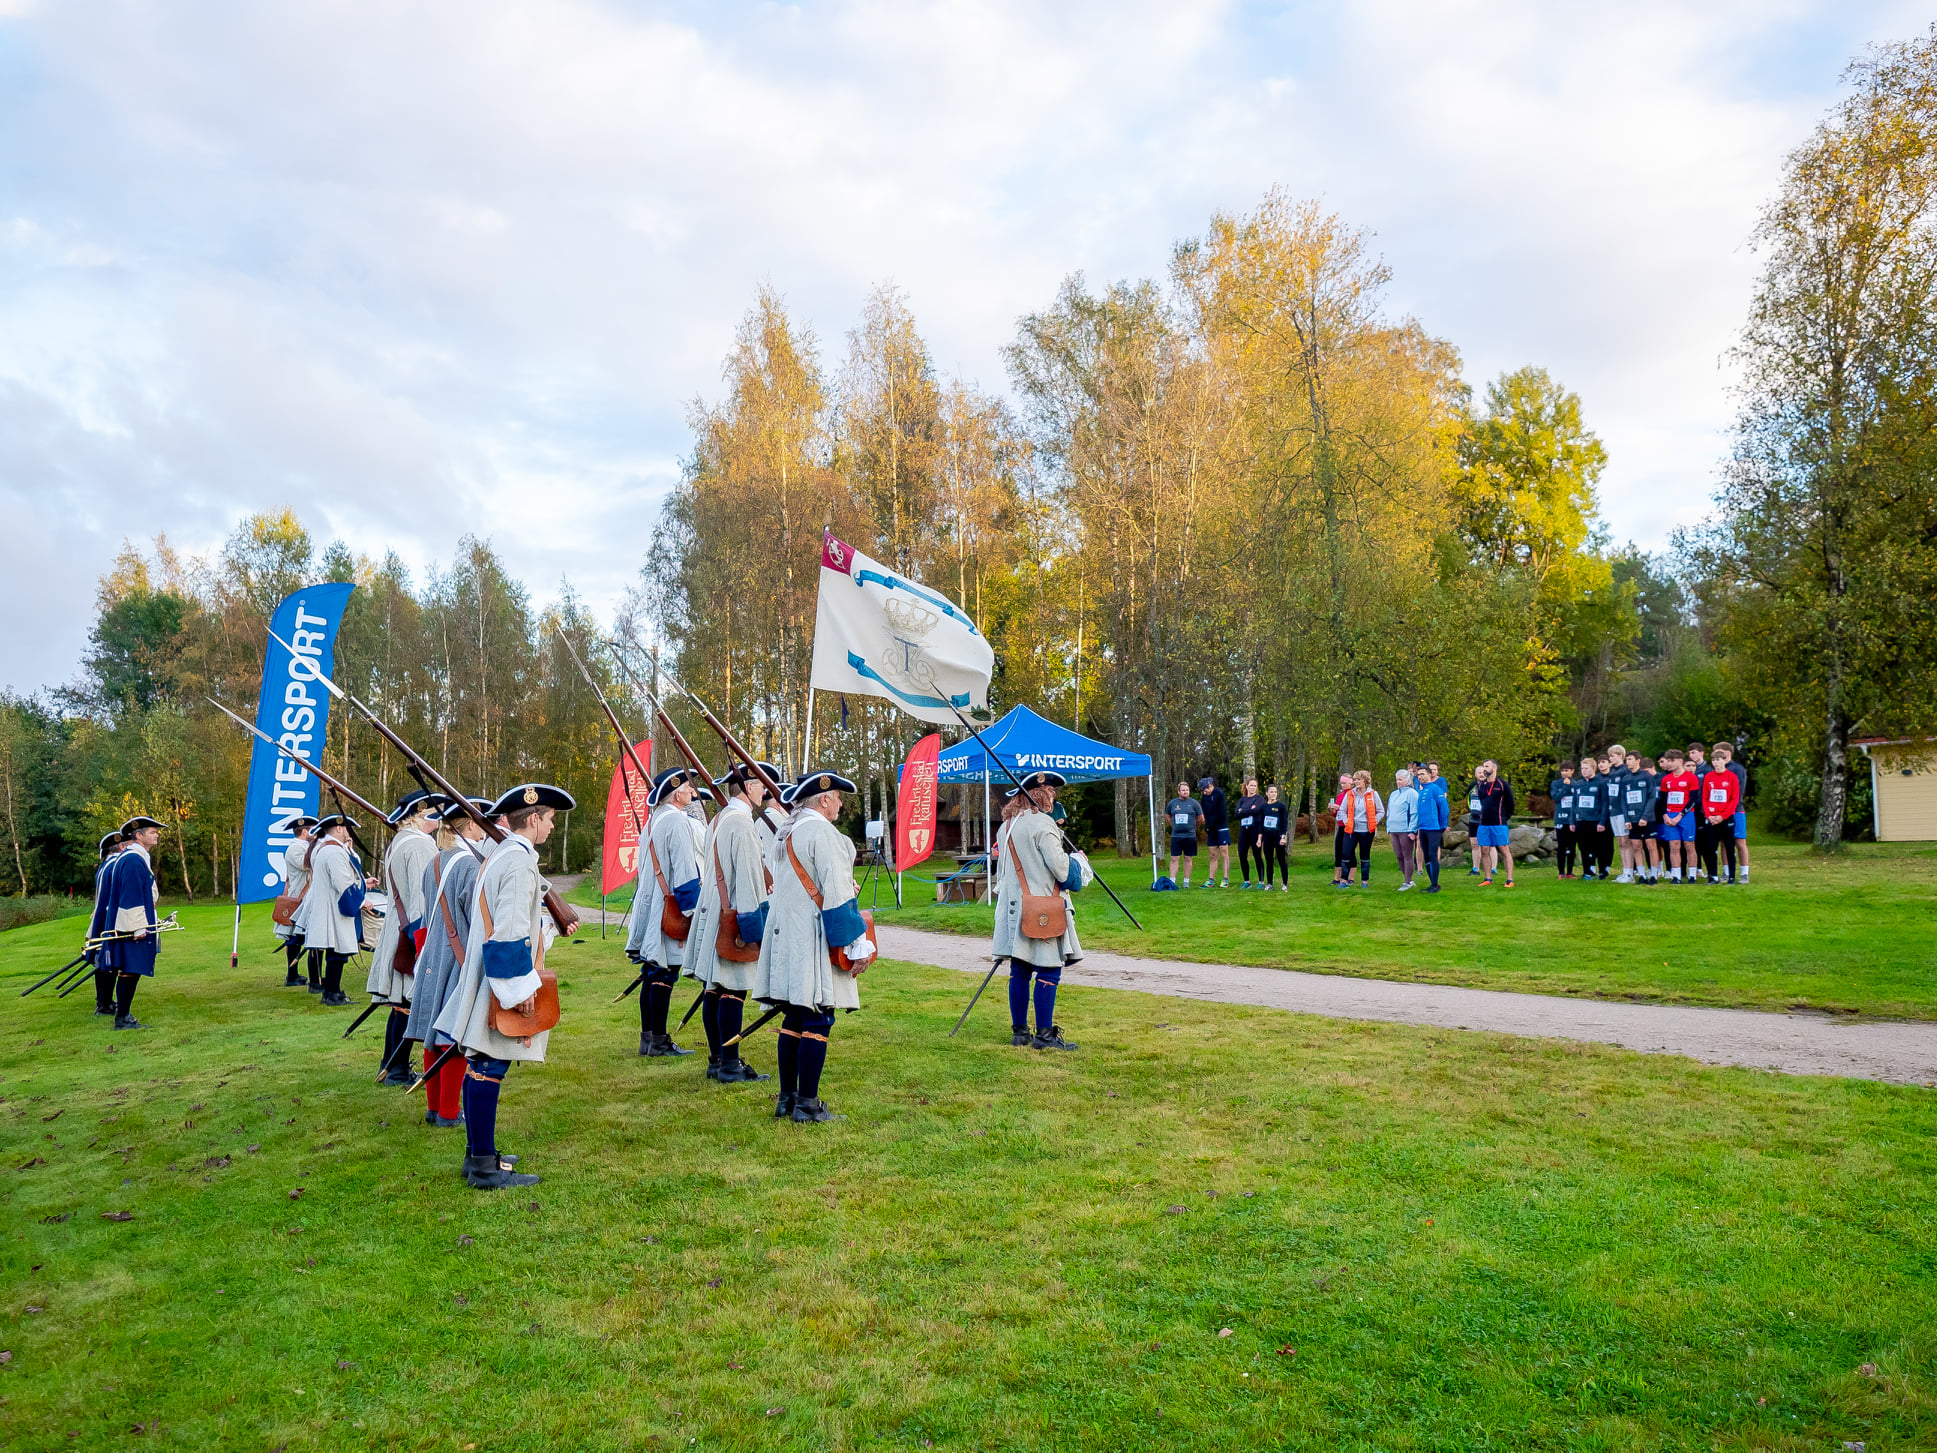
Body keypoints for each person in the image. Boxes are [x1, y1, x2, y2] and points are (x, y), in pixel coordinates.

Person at [435, 782, 575, 1191]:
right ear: (533, 819)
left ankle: (477, 1153)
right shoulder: (516, 862)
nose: (550, 827)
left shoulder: (504, 855)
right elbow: (510, 932)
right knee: (489, 1066)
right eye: (549, 819)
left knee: (481, 1064)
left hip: (490, 974)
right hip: (502, 978)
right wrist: (521, 991)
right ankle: (482, 1166)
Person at [753, 768, 878, 1123]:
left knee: (795, 1015)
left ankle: (788, 1099)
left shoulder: (788, 833)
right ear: (824, 799)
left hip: (788, 936)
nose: (840, 803)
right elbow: (837, 898)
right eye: (838, 797)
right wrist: (858, 944)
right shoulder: (824, 834)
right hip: (812, 937)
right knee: (819, 1018)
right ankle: (807, 1104)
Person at [687, 760, 782, 1084]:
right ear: (750, 786)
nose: (766, 790)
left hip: (718, 909)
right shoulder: (740, 822)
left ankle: (718, 1060)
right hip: (735, 912)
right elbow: (746, 876)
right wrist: (753, 927)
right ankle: (729, 1064)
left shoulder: (721, 818)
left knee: (715, 989)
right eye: (762, 784)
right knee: (733, 988)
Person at [404, 797, 493, 1129]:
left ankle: (433, 1108)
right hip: (457, 958)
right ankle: (448, 1112)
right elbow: (477, 917)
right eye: (480, 824)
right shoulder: (469, 865)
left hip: (434, 954)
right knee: (454, 1037)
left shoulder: (437, 861)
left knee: (434, 1033)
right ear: (469, 826)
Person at [992, 769, 1090, 1050]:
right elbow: (1060, 870)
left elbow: (1003, 873)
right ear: (1039, 793)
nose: (1054, 795)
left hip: (1013, 908)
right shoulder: (1043, 825)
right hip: (1041, 907)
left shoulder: (1007, 825)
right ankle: (1045, 1036)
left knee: (1020, 970)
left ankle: (1020, 1033)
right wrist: (1078, 863)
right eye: (1051, 791)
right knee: (1049, 971)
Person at [368, 790, 446, 1087]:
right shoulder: (419, 846)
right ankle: (396, 1069)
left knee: (401, 1004)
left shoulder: (403, 842)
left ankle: (391, 1065)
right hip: (413, 931)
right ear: (422, 814)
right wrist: (424, 941)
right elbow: (420, 899)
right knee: (406, 1005)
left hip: (401, 930)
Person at [638, 766, 712, 1058]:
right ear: (676, 791)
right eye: (688, 787)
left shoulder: (655, 820)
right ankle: (658, 1040)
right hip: (673, 907)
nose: (693, 792)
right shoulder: (677, 822)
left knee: (653, 971)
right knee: (664, 973)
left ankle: (649, 1037)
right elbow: (685, 872)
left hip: (657, 902)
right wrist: (694, 912)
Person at [296, 815, 370, 1005]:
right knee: (338, 952)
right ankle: (332, 994)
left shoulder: (328, 849)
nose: (348, 832)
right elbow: (343, 883)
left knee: (336, 952)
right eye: (346, 828)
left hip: (331, 907)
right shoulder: (334, 852)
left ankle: (331, 992)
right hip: (334, 909)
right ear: (338, 829)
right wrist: (363, 903)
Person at [97, 815, 163, 1029]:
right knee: (130, 968)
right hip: (132, 925)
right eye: (152, 831)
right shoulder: (133, 859)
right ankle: (122, 1018)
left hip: (130, 922)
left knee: (130, 968)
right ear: (139, 835)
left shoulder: (134, 857)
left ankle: (123, 1016)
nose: (157, 834)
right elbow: (131, 895)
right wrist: (138, 927)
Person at [85, 831, 125, 1017]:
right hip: (111, 917)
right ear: (121, 846)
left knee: (102, 959)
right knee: (108, 961)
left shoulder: (104, 866)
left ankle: (103, 1001)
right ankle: (104, 1003)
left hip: (102, 916)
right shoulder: (116, 865)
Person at [275, 814, 317, 989]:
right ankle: (291, 975)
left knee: (297, 937)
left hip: (305, 896)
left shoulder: (302, 846)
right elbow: (305, 864)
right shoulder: (295, 848)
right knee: (294, 937)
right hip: (299, 896)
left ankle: (294, 974)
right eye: (312, 831)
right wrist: (316, 844)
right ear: (305, 831)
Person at [1700, 745, 1744, 883]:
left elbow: (1734, 799)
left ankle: (1731, 876)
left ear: (1724, 760)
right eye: (1713, 760)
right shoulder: (1708, 777)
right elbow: (1705, 797)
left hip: (1725, 818)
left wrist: (1722, 816)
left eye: (1718, 760)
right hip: (1712, 818)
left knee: (1730, 848)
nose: (1715, 763)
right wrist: (1709, 815)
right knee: (1710, 848)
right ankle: (1713, 876)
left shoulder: (1731, 777)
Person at [1655, 749, 1698, 883]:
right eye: (1668, 761)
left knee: (1689, 845)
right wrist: (1665, 816)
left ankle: (1692, 875)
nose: (1669, 763)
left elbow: (1693, 799)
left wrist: (1680, 815)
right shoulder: (1666, 780)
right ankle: (1677, 876)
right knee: (1673, 845)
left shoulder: (1691, 777)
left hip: (1686, 815)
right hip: (1670, 816)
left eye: (1672, 761)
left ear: (1680, 761)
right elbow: (1662, 800)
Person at [1615, 751, 1656, 884]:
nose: (1628, 762)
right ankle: (1642, 874)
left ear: (1638, 760)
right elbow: (1623, 800)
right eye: (1627, 759)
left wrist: (1645, 816)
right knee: (1636, 846)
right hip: (1632, 819)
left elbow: (1651, 797)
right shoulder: (1626, 779)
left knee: (1651, 846)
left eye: (1631, 759)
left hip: (1647, 818)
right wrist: (1627, 819)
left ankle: (1654, 874)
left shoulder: (1647, 777)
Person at [1474, 761, 1515, 887]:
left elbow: (1511, 803)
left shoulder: (1503, 785)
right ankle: (1488, 878)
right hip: (1484, 823)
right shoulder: (1481, 786)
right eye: (1483, 766)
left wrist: (1505, 817)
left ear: (1494, 768)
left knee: (1504, 849)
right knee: (1484, 850)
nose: (1484, 769)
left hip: (1499, 823)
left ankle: (1509, 879)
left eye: (1487, 766)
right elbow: (1482, 801)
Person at [1714, 740, 1750, 883]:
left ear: (1727, 753)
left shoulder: (1737, 769)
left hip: (1736, 810)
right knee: (1724, 842)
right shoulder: (1715, 770)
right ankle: (1727, 872)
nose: (1716, 759)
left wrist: (1729, 808)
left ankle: (1744, 873)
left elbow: (1738, 792)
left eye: (1719, 754)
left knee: (1740, 842)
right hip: (1720, 812)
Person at [1339, 770, 1382, 887]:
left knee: (1364, 855)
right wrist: (1346, 821)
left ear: (1365, 781)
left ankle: (1364, 881)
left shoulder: (1373, 794)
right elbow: (1342, 810)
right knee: (1346, 853)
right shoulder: (1350, 794)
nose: (1356, 782)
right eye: (1355, 779)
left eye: (1358, 779)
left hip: (1367, 830)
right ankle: (1344, 880)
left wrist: (1373, 822)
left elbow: (1381, 811)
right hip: (1351, 830)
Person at [1573, 756, 1610, 880]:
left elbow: (1605, 803)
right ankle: (1587, 871)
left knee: (1599, 847)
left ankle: (1602, 870)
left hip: (1595, 820)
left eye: (1586, 768)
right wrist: (1572, 821)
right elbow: (1574, 804)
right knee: (1584, 847)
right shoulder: (1578, 784)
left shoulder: (1601, 783)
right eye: (1582, 768)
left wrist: (1602, 821)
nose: (1584, 771)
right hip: (1581, 820)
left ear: (1593, 769)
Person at [1416, 762, 1450, 893]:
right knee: (1427, 856)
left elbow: (1444, 808)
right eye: (1418, 775)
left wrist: (1443, 825)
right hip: (1423, 828)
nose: (1420, 777)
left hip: (1434, 828)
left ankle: (1436, 885)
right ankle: (1432, 884)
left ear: (1430, 775)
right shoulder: (1421, 790)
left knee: (1432, 854)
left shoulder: (1435, 789)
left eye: (1422, 774)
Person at [1163, 782, 1203, 888]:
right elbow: (1167, 816)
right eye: (1183, 790)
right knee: (1174, 858)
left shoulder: (1194, 803)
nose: (1185, 792)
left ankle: (1186, 881)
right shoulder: (1172, 803)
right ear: (1178, 791)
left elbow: (1201, 818)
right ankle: (1172, 881)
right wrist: (1173, 826)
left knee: (1188, 858)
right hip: (1176, 835)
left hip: (1190, 835)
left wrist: (1194, 827)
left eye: (1187, 790)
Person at [1387, 769, 1419, 890]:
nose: (1398, 782)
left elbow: (1414, 812)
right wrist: (1389, 828)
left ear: (1407, 780)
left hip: (1405, 830)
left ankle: (1408, 881)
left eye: (1400, 779)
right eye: (1397, 779)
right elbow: (1389, 811)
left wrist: (1412, 830)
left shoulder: (1412, 793)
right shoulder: (1394, 794)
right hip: (1394, 829)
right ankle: (1407, 878)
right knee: (1398, 855)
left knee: (1407, 855)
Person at [1198, 776, 1231, 888]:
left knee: (1224, 852)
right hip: (1211, 828)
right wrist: (1208, 825)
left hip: (1221, 826)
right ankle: (1211, 880)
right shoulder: (1204, 796)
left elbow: (1221, 812)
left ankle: (1225, 879)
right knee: (1212, 854)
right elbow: (1205, 811)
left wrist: (1213, 824)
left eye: (1204, 789)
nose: (1204, 792)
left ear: (1210, 786)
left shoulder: (1219, 794)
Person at [1256, 785, 1291, 891]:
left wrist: (1283, 837)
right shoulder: (1263, 807)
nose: (1273, 794)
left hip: (1278, 835)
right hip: (1267, 836)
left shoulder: (1280, 806)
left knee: (1281, 859)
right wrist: (1259, 839)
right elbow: (1260, 825)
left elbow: (1284, 823)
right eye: (1271, 792)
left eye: (1275, 792)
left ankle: (1284, 883)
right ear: (1267, 793)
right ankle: (1270, 883)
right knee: (1268, 860)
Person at [1234, 778, 1266, 888]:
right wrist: (1248, 811)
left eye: (1254, 786)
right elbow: (1236, 814)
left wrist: (1243, 811)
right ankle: (1246, 881)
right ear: (1246, 786)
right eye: (1250, 785)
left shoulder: (1259, 798)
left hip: (1255, 830)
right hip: (1244, 830)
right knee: (1242, 855)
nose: (1252, 788)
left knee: (1257, 855)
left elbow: (1256, 810)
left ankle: (1261, 881)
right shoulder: (1242, 800)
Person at [1550, 763, 1577, 878]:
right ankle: (1561, 872)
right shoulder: (1555, 784)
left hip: (1573, 820)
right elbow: (1555, 797)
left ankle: (1569, 872)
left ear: (1572, 771)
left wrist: (1570, 786)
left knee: (1572, 846)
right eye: (1562, 771)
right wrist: (1565, 787)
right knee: (1561, 846)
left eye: (1566, 770)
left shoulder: (1576, 784)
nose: (1564, 773)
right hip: (1561, 819)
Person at [1329, 774, 1356, 886]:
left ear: (1351, 783)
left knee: (1349, 851)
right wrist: (1332, 809)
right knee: (1338, 850)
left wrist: (1340, 808)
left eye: (1345, 783)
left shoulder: (1353, 795)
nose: (1343, 785)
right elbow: (1336, 814)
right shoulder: (1340, 796)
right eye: (1342, 783)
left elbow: (1353, 810)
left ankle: (1351, 877)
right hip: (1341, 825)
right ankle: (1337, 877)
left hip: (1350, 826)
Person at [1463, 768, 1485, 876]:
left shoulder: (1490, 786)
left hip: (1485, 819)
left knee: (1486, 846)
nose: (1481, 774)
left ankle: (1490, 869)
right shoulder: (1472, 786)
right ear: (1475, 775)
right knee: (1474, 844)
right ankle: (1475, 869)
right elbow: (1468, 799)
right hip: (1473, 819)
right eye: (1479, 772)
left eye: (1483, 772)